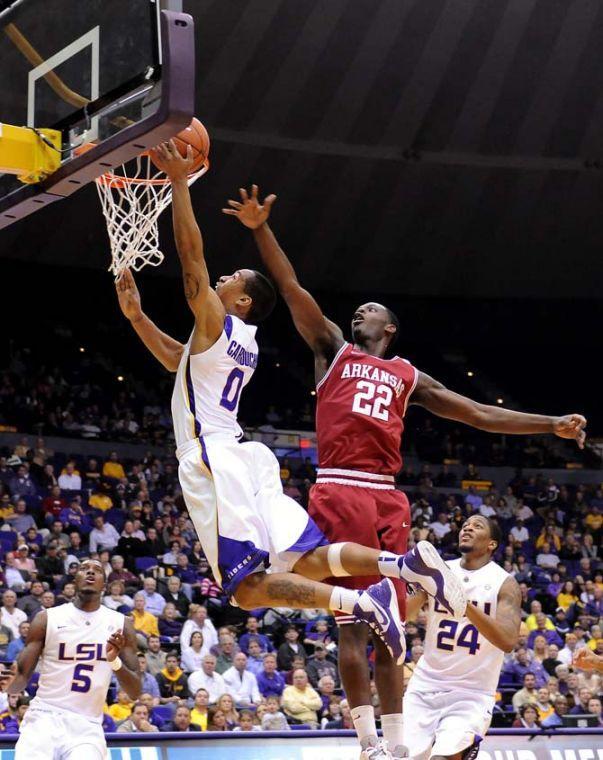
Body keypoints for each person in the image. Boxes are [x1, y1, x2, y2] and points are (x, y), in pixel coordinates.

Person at [224, 184, 587, 760]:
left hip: (386, 497)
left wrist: (549, 423)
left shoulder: (409, 376)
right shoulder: (332, 350)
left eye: (371, 309)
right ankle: (368, 742)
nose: (359, 311)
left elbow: (478, 413)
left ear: (390, 328)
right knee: (348, 621)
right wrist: (259, 228)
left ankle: (396, 745)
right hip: (340, 486)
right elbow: (292, 290)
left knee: (389, 620)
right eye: (357, 309)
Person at [115, 142, 466, 673]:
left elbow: (191, 265)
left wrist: (181, 185)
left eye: (230, 279)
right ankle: (401, 564)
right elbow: (177, 361)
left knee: (248, 592)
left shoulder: (217, 320)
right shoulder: (244, 341)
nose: (220, 279)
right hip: (246, 455)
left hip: (211, 453)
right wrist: (138, 318)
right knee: (307, 560)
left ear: (241, 302)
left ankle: (364, 601)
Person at [402, 516, 521, 760]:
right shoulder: (440, 572)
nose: (468, 527)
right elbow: (405, 614)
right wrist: (417, 579)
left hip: (471, 692)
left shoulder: (504, 583)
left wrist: (464, 603)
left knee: (441, 758)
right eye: (466, 525)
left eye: (478, 526)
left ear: (492, 544)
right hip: (425, 684)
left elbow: (508, 641)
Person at [3, 559, 140, 760]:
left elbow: (135, 691)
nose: (90, 573)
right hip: (44, 717)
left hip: (87, 725)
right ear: (75, 580)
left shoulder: (121, 624)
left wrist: (114, 661)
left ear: (105, 585)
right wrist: (8, 684)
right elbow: (21, 678)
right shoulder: (47, 618)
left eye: (97, 570)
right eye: (84, 569)